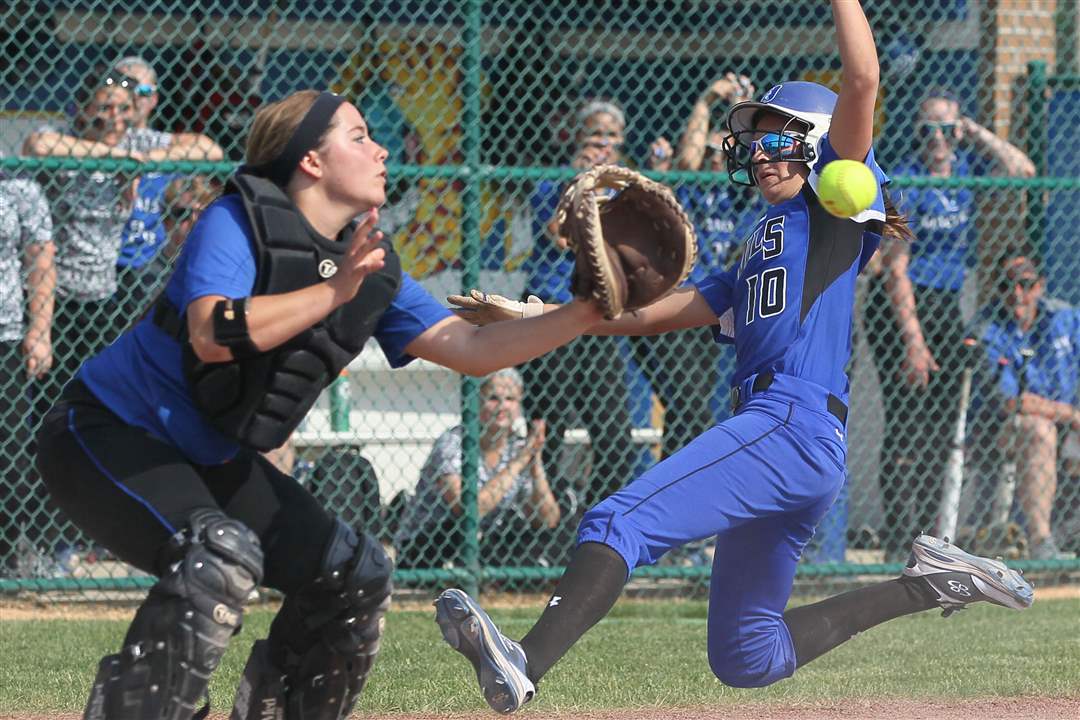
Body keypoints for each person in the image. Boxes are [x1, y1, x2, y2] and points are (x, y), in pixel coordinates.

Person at [434, 2, 1033, 714]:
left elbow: (863, 78)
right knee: (749, 655)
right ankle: (931, 583)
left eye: (777, 137)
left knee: (617, 522)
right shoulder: (759, 242)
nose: (760, 152)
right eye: (754, 140)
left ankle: (526, 659)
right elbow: (653, 313)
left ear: (817, 143)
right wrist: (534, 314)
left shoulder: (833, 205)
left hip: (790, 421)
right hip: (793, 438)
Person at [33, 89, 607, 720]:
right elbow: (212, 331)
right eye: (358, 137)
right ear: (310, 160)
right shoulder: (237, 220)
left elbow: (472, 348)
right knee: (218, 555)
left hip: (211, 461)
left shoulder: (367, 267)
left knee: (354, 575)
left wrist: (586, 310)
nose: (380, 150)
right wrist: (335, 291)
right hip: (104, 436)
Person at [863, 86, 1036, 560]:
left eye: (946, 130)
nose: (937, 140)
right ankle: (898, 541)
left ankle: (927, 538)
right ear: (916, 134)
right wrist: (913, 343)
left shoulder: (965, 169)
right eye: (928, 131)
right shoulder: (908, 180)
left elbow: (1022, 170)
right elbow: (895, 269)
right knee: (905, 421)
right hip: (899, 306)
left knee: (940, 426)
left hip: (945, 303)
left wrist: (975, 133)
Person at [520, 98, 643, 509]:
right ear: (577, 139)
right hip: (552, 306)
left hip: (597, 312)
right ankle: (545, 519)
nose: (603, 146)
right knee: (548, 420)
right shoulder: (555, 180)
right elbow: (560, 234)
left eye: (611, 138)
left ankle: (594, 519)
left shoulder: (626, 188)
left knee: (615, 433)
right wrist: (580, 182)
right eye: (595, 137)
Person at [643, 73, 764, 457]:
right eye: (710, 152)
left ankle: (672, 485)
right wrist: (706, 101)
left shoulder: (739, 197)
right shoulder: (689, 189)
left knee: (688, 416)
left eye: (722, 153)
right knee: (692, 410)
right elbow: (687, 159)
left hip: (707, 310)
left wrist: (741, 115)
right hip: (673, 304)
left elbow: (748, 152)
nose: (715, 159)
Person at [968, 255, 1079, 560]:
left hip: (1065, 421)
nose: (1017, 293)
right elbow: (1013, 402)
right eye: (1007, 285)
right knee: (1038, 429)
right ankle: (1042, 542)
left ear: (1040, 286)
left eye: (1026, 284)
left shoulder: (1064, 318)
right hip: (997, 428)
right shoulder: (986, 327)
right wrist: (1071, 415)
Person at [394, 368, 560, 569]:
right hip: (431, 543)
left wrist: (535, 463)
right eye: (493, 398)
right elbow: (469, 510)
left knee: (542, 534)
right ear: (476, 400)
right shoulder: (453, 443)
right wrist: (519, 462)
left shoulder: (517, 447)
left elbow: (548, 520)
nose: (502, 406)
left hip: (488, 541)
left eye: (510, 399)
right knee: (461, 528)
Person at [111, 56, 225, 325]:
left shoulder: (161, 141)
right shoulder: (100, 136)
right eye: (125, 86)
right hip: (106, 258)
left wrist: (148, 159)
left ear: (154, 99)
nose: (133, 97)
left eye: (142, 90)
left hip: (148, 261)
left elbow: (212, 150)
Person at [0, 169, 55, 576]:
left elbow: (40, 255)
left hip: (5, 333)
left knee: (12, 461)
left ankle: (5, 556)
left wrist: (39, 330)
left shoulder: (17, 184)